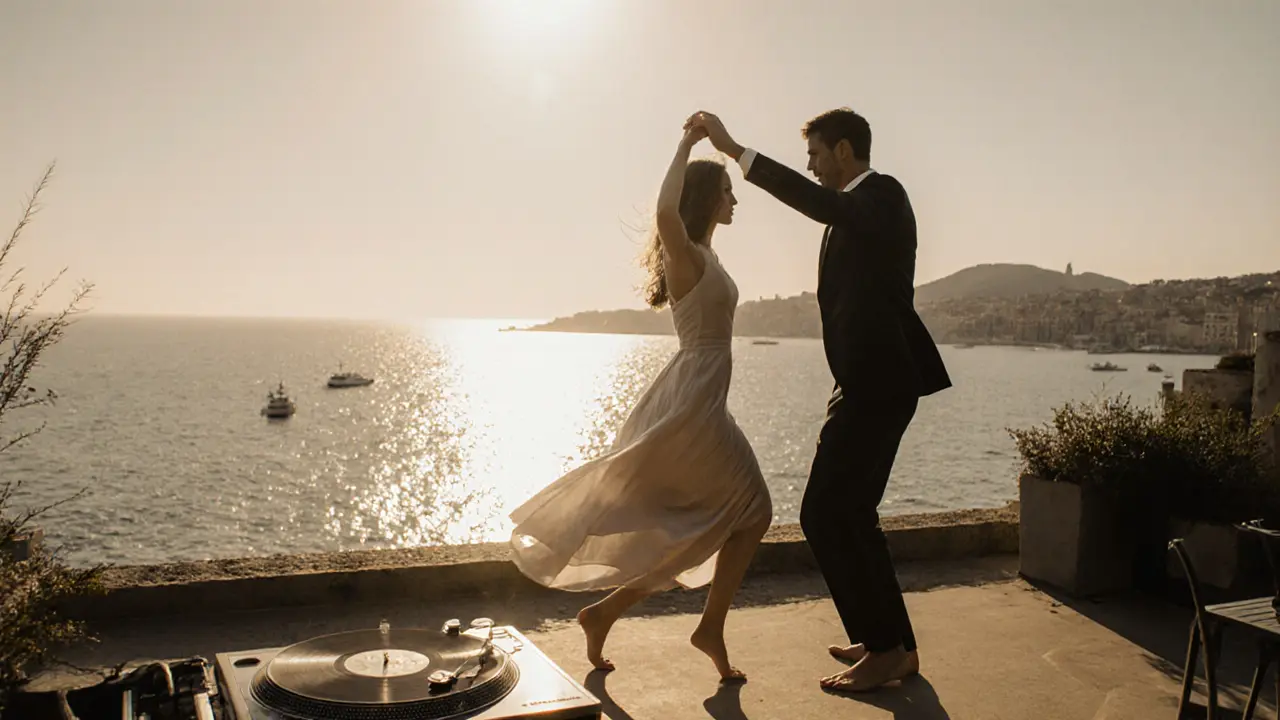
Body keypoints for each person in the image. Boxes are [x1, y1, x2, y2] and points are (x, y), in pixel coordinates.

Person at [685, 108, 952, 692]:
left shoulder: (882, 196)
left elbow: (819, 202)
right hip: (862, 385)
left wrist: (736, 151)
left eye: (815, 153)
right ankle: (890, 644)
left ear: (844, 152)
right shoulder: (853, 213)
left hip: (880, 385)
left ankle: (885, 648)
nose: (810, 164)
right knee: (849, 515)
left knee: (826, 514)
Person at [507, 124, 773, 683]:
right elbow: (665, 216)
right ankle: (706, 627)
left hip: (704, 400)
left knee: (708, 528)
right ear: (705, 197)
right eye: (727, 192)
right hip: (695, 405)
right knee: (752, 513)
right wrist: (685, 148)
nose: (735, 199)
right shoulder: (686, 256)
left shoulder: (706, 255)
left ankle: (607, 613)